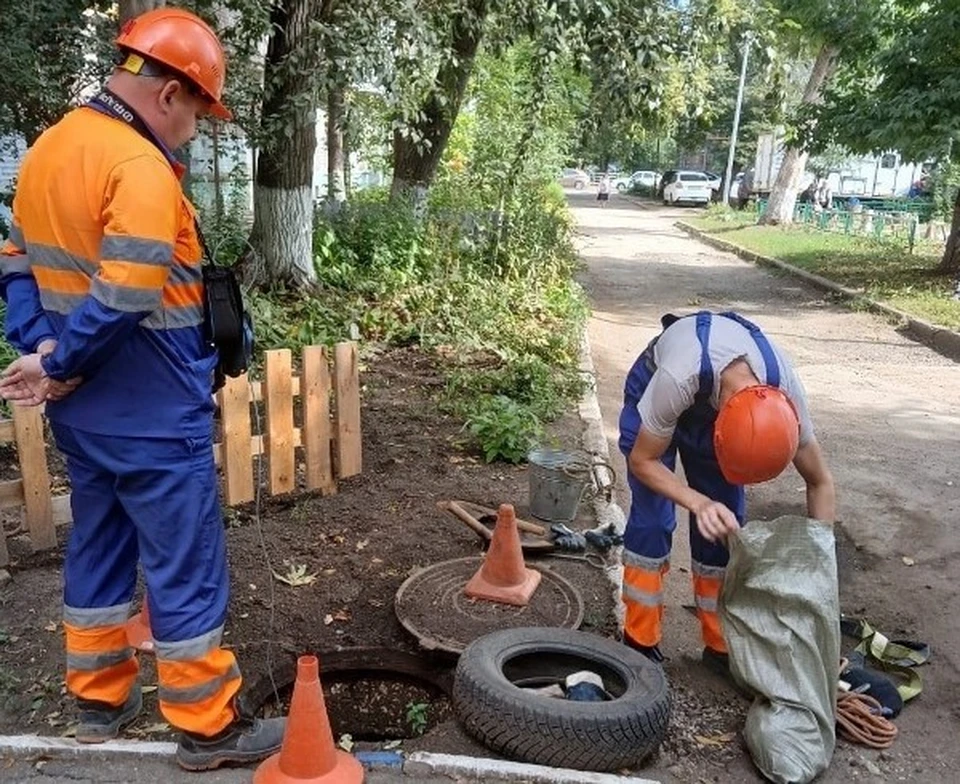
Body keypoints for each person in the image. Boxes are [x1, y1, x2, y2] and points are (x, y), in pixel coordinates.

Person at [0, 7, 285, 771]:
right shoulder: (138, 167)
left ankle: (96, 701)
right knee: (183, 563)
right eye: (197, 111)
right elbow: (128, 292)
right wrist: (61, 364)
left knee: (97, 546)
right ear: (167, 94)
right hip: (155, 414)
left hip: (85, 417)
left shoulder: (47, 151)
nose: (196, 127)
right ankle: (206, 728)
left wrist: (45, 350)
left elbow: (17, 262)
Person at [617, 311, 835, 673]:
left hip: (716, 395)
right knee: (653, 521)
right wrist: (698, 501)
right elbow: (644, 461)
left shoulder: (786, 393)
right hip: (654, 385)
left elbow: (820, 481)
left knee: (725, 525)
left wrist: (820, 564)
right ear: (720, 433)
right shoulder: (677, 377)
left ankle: (721, 644)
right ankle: (638, 642)